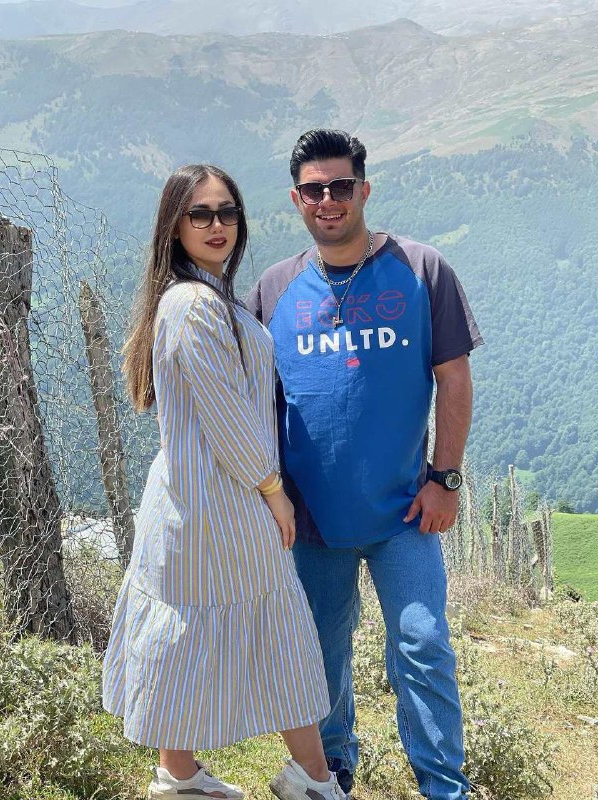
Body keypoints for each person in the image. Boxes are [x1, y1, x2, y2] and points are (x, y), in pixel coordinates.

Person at [246, 129, 484, 800]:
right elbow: (251, 399)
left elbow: (455, 378)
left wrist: (445, 479)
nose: (328, 200)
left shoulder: (422, 269)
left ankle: (444, 787)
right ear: (296, 199)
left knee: (423, 644)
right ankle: (332, 776)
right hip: (309, 518)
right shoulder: (274, 288)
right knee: (321, 656)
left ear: (364, 190)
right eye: (314, 190)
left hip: (406, 509)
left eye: (341, 186)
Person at [102, 163, 347, 800]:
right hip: (222, 501)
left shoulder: (205, 298)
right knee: (275, 631)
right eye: (201, 214)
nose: (218, 225)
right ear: (174, 226)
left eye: (227, 212)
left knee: (194, 630)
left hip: (197, 502)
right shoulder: (192, 305)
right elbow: (228, 416)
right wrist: (274, 491)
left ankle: (181, 775)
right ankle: (312, 780)